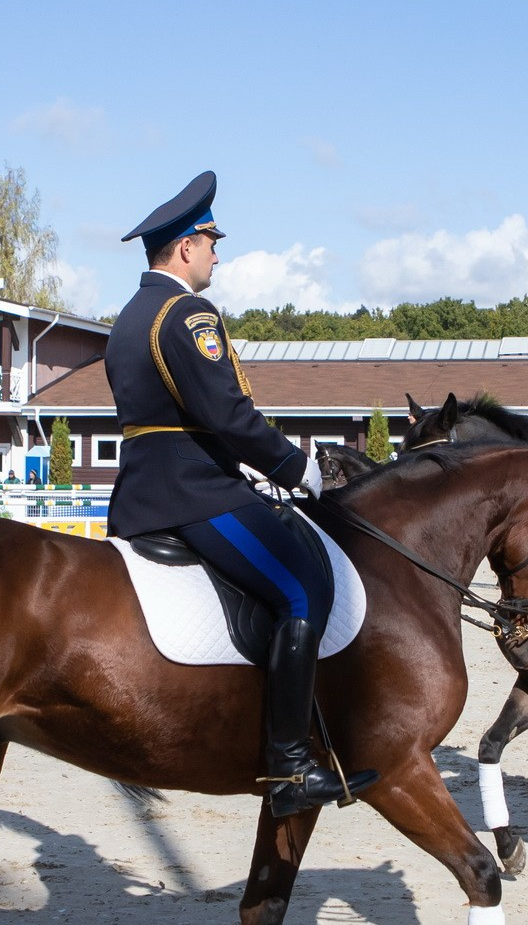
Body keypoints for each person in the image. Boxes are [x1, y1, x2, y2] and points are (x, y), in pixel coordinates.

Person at [104, 170, 371, 816]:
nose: (218, 254)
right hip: (194, 493)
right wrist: (294, 467)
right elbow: (227, 414)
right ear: (185, 247)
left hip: (145, 490)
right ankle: (288, 767)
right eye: (210, 241)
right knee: (303, 587)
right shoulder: (187, 312)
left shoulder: (129, 315)